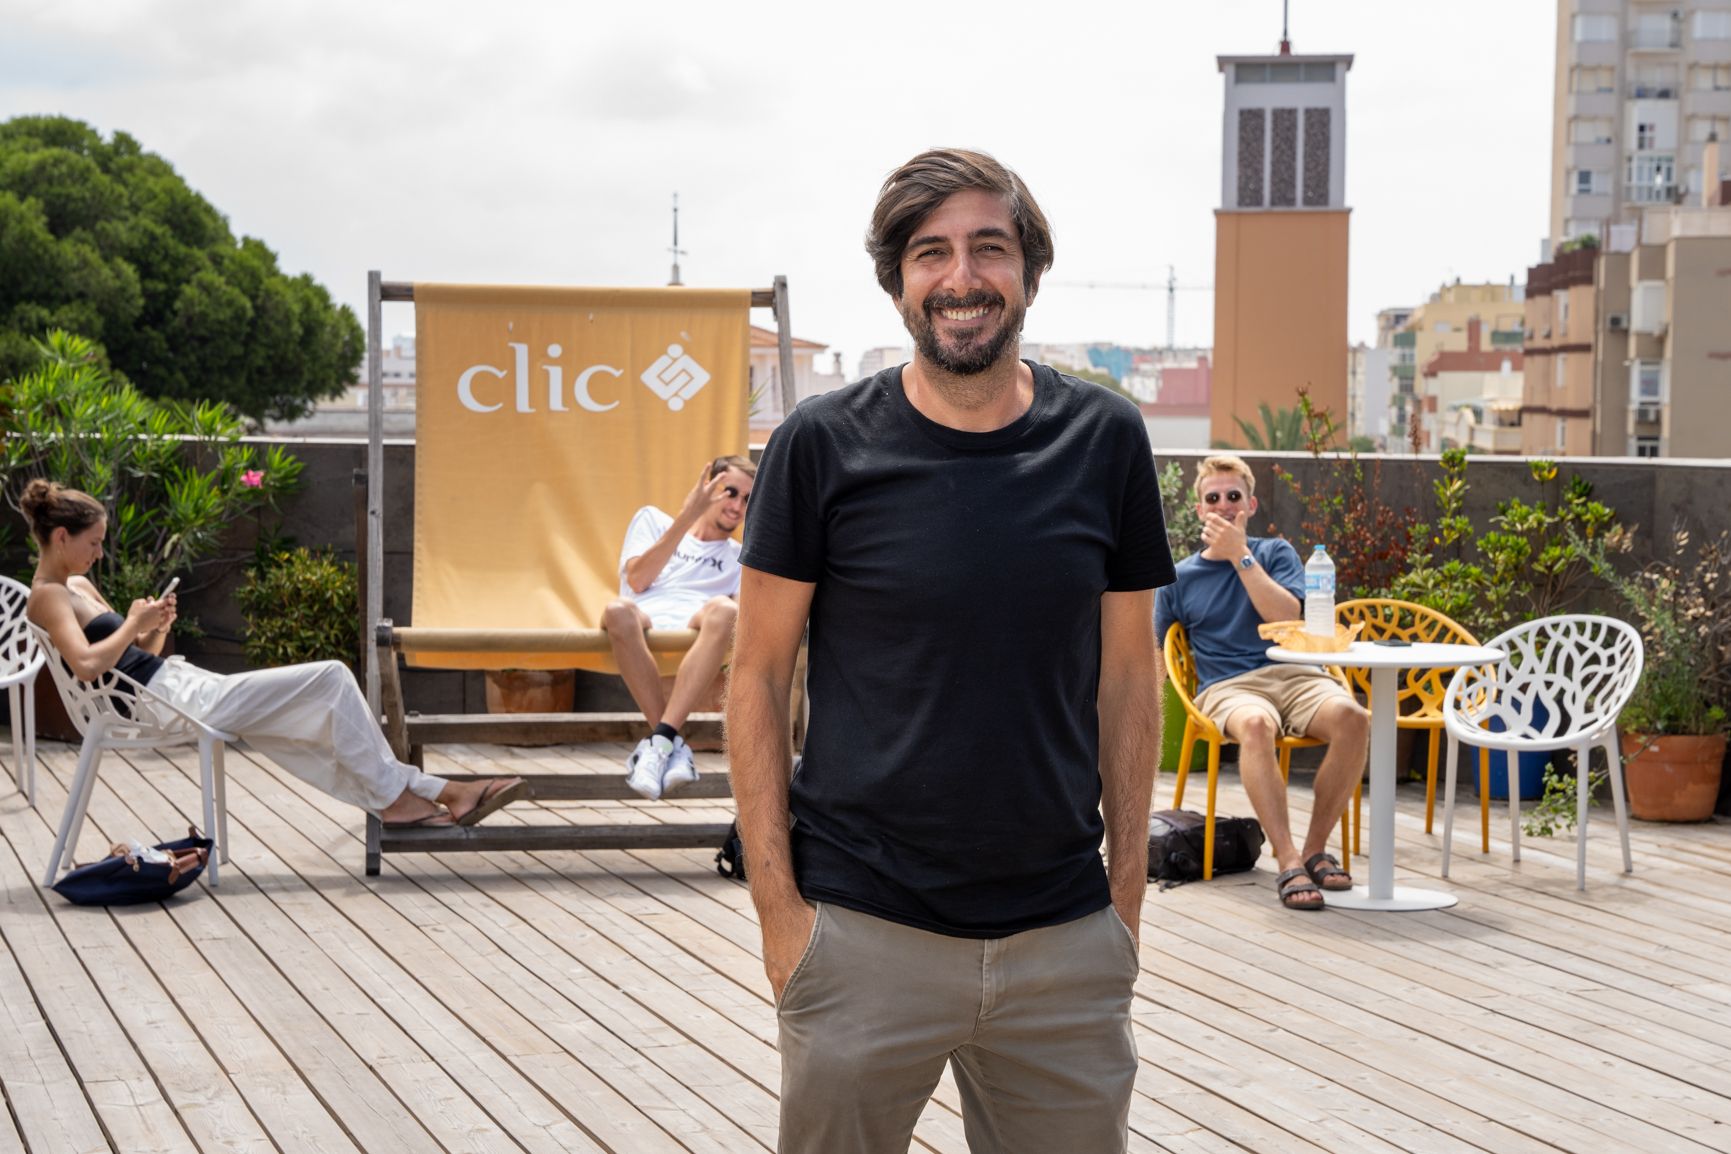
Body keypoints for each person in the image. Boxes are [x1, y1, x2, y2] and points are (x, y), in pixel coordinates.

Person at [727, 148, 1173, 1153]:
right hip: (861, 927)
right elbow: (754, 674)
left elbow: (1131, 676)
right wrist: (780, 916)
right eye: (931, 253)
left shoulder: (1105, 439)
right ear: (897, 281)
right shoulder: (821, 444)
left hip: (1063, 935)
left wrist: (1125, 904)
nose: (962, 278)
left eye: (989, 248)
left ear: (1030, 271)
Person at [22, 480, 524, 830]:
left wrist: (153, 628)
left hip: (173, 686)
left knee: (310, 720)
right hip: (165, 701)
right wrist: (133, 621)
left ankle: (405, 798)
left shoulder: (79, 584)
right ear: (62, 537)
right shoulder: (47, 594)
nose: (100, 554)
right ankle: (422, 793)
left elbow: (129, 656)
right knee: (330, 678)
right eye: (94, 543)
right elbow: (88, 666)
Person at [1153, 455, 1371, 910]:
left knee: (1353, 717)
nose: (1224, 505)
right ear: (1199, 510)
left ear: (1250, 504)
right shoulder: (1178, 577)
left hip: (1295, 674)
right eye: (1213, 498)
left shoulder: (1275, 554)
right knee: (1255, 726)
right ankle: (1288, 858)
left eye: (1234, 496)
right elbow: (1151, 649)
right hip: (1229, 687)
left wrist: (1241, 557)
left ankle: (1313, 848)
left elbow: (1288, 617)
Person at [604, 455, 753, 799]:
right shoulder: (654, 520)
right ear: (706, 489)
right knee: (617, 609)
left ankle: (658, 743)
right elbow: (638, 580)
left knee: (725, 609)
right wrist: (689, 514)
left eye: (747, 499)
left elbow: (742, 621)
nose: (737, 506)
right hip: (642, 617)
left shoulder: (740, 555)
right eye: (730, 492)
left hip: (697, 621)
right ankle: (669, 741)